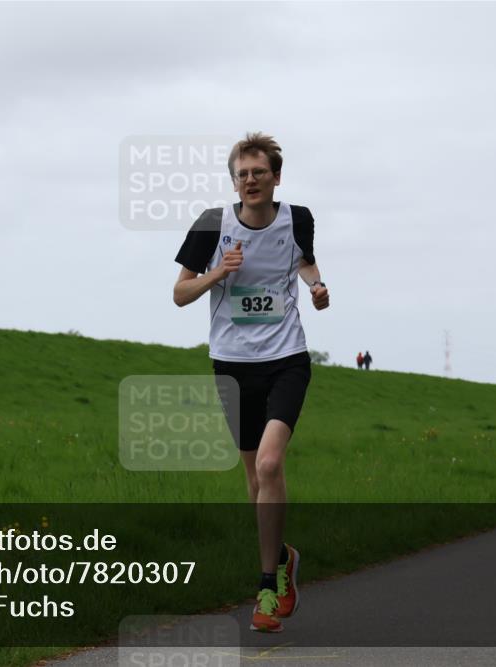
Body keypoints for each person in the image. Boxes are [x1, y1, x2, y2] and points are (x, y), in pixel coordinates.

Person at [173, 132, 330, 632]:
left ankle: (267, 588)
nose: (250, 181)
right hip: (232, 365)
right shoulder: (211, 225)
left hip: (286, 359)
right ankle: (282, 557)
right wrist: (219, 272)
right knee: (254, 482)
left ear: (275, 177)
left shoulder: (297, 218)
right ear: (234, 181)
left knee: (269, 463)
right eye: (242, 174)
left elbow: (303, 259)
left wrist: (317, 284)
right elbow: (180, 293)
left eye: (259, 172)